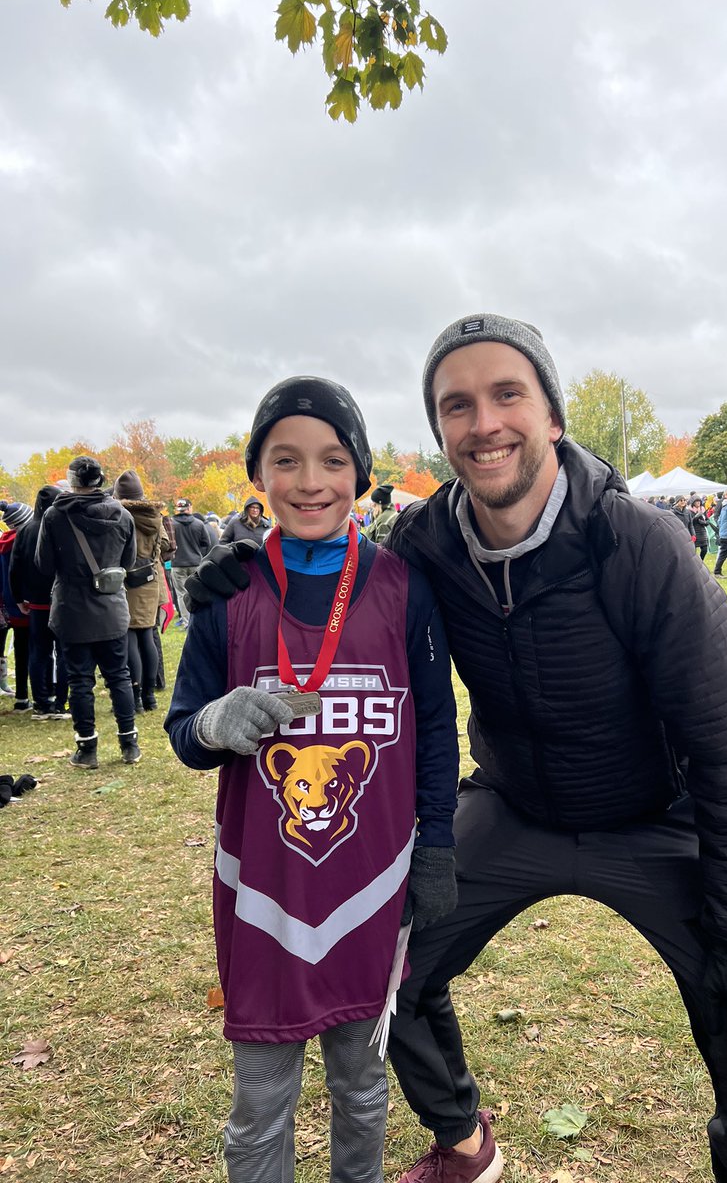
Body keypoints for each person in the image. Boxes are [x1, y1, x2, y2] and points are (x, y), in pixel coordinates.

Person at [190, 314, 727, 1183]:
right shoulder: (425, 544)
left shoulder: (642, 545)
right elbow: (336, 570)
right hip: (516, 808)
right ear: (440, 431)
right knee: (385, 971)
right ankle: (464, 1141)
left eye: (507, 394)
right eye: (457, 405)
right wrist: (248, 563)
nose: (484, 423)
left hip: (659, 818)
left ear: (553, 415)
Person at [165, 376, 460, 1183]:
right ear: (258, 473)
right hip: (263, 892)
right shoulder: (229, 591)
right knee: (262, 1102)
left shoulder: (404, 588)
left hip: (373, 884)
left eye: (333, 461)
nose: (309, 482)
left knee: (362, 1086)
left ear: (359, 474)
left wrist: (436, 846)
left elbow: (434, 728)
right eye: (285, 460)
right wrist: (214, 724)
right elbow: (183, 733)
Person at [35, 456, 140, 768]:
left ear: (72, 480)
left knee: (80, 680)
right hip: (112, 608)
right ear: (100, 480)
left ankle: (87, 749)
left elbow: (44, 565)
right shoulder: (122, 514)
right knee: (119, 676)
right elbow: (129, 562)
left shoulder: (55, 516)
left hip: (73, 609)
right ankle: (129, 745)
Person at [8, 486, 70, 719]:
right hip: (61, 600)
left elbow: (15, 568)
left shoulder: (25, 531)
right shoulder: (62, 526)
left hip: (36, 602)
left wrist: (18, 598)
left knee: (39, 652)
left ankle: (41, 703)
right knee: (64, 653)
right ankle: (62, 703)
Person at [112, 470, 170, 713]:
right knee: (147, 636)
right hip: (151, 581)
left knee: (130, 640)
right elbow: (167, 545)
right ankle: (149, 696)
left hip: (127, 582)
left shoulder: (118, 516)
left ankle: (135, 697)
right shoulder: (153, 515)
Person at [0, 501, 34, 710]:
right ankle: (38, 693)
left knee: (20, 652)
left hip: (8, 605)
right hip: (26, 605)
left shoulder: (3, 544)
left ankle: (21, 697)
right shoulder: (24, 543)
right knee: (36, 650)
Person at [170, 498, 212, 629]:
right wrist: (199, 554)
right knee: (197, 591)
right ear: (189, 508)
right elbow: (206, 543)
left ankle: (186, 621)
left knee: (182, 593)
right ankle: (200, 619)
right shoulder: (199, 524)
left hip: (177, 563)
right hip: (195, 562)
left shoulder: (171, 524)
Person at [690, 496, 710, 561]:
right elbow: (690, 522)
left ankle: (701, 561)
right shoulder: (690, 511)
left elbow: (708, 521)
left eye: (699, 501)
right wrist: (695, 518)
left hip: (702, 532)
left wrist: (703, 522)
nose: (698, 502)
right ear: (693, 503)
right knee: (693, 550)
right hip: (694, 532)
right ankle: (694, 563)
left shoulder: (703, 510)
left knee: (704, 549)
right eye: (696, 501)